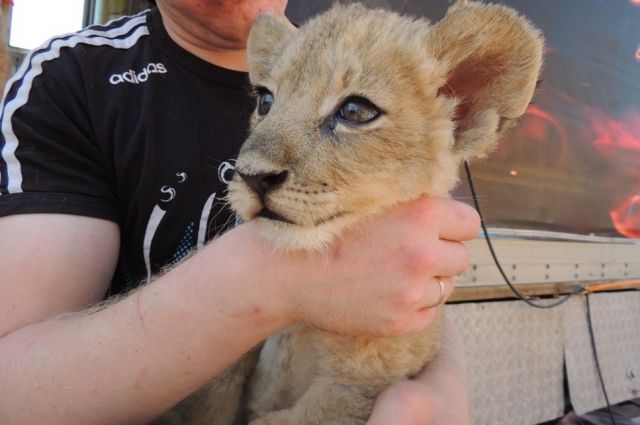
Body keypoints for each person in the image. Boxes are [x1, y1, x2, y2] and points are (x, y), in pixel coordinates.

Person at [0, 1, 479, 424]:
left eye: (354, 112)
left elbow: (403, 274)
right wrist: (272, 278)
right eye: (264, 101)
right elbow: (13, 398)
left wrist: (443, 381)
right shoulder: (73, 76)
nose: (254, 164)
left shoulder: (388, 58)